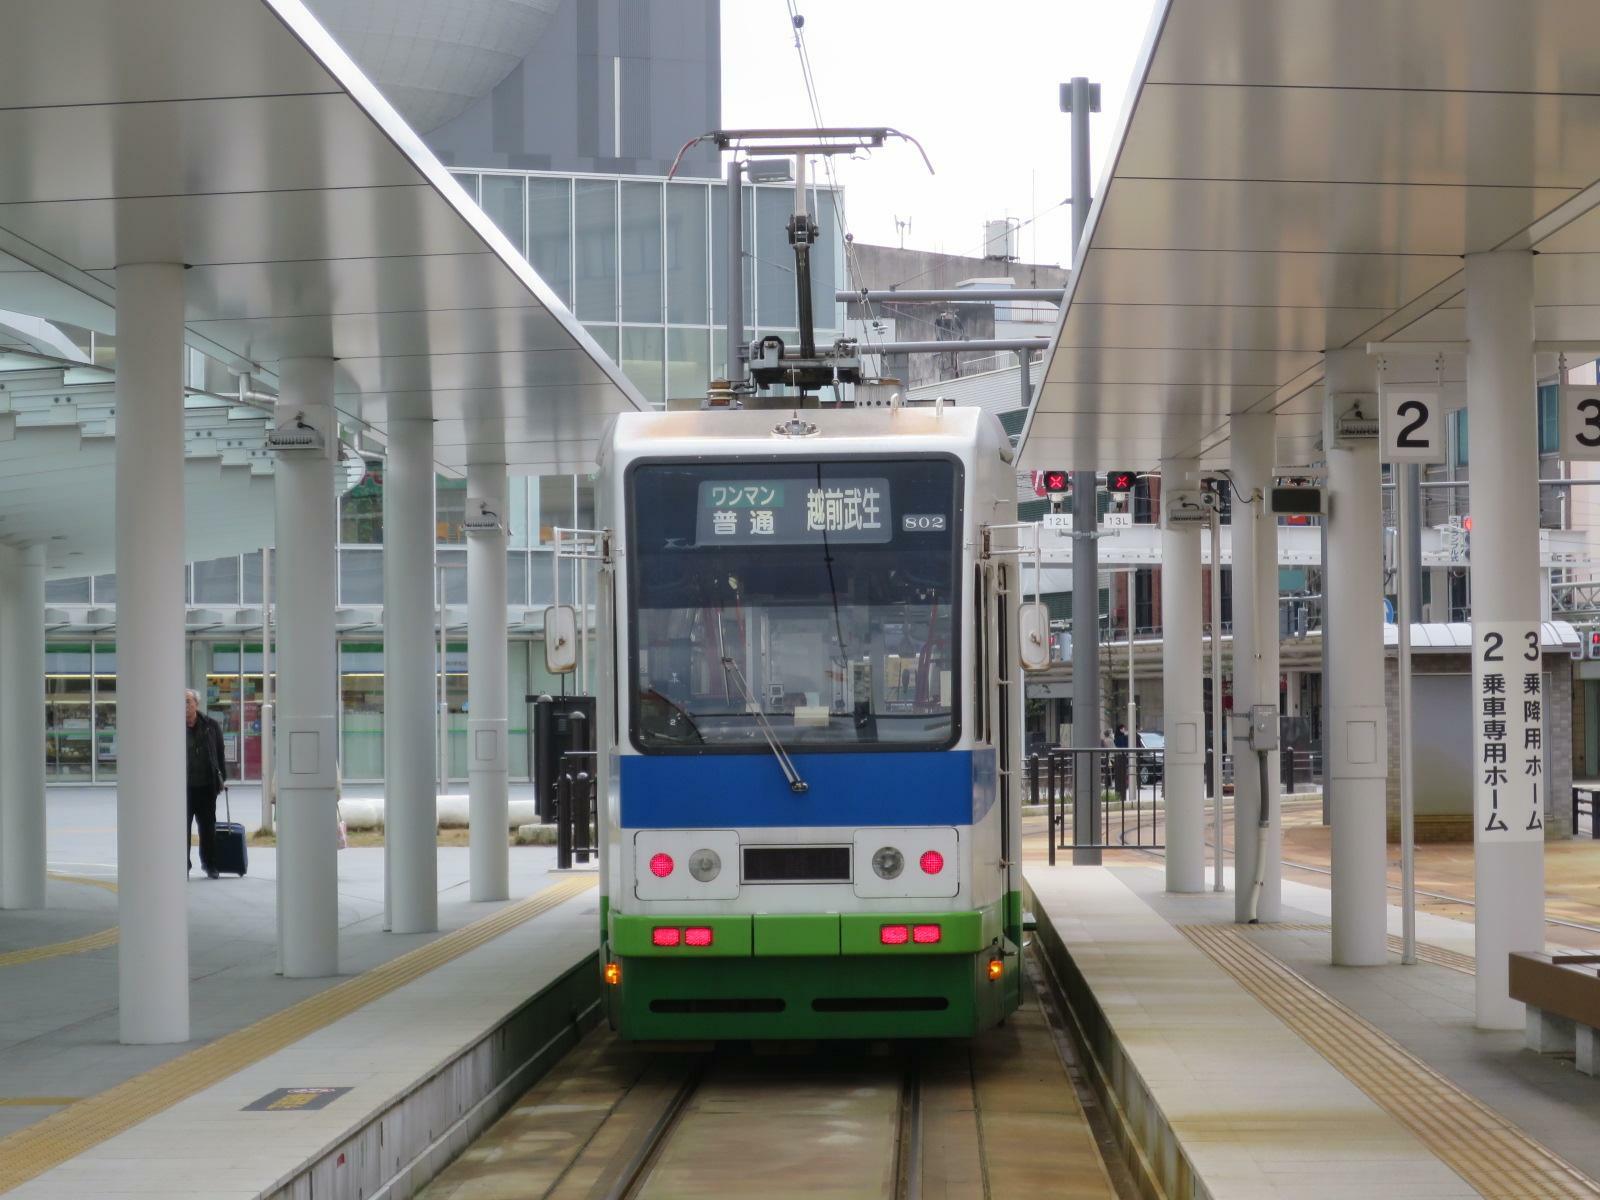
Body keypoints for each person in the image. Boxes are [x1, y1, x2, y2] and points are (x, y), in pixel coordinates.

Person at [185, 689, 227, 879]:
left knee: (208, 828)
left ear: (197, 704)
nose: (185, 706)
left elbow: (219, 754)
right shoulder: (171, 726)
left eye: (188, 702)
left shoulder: (211, 726)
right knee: (181, 828)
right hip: (182, 789)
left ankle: (210, 864)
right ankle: (182, 864)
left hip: (206, 787)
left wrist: (221, 779)